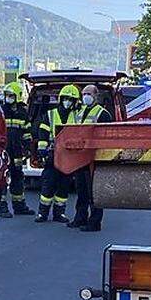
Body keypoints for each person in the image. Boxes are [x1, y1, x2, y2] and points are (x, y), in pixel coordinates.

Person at [68, 84, 113, 232]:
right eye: (84, 94)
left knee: (94, 191)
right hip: (80, 157)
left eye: (89, 94)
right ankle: (80, 218)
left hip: (95, 158)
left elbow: (108, 137)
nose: (85, 96)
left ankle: (94, 222)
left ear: (96, 96)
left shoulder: (103, 114)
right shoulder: (78, 112)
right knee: (81, 191)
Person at [34, 85, 81, 223]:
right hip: (52, 155)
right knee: (48, 184)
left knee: (64, 186)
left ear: (75, 102)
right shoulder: (50, 114)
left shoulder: (77, 116)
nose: (68, 102)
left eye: (71, 100)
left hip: (68, 157)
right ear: (61, 99)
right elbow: (42, 133)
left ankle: (59, 214)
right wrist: (42, 150)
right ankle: (42, 213)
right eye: (66, 99)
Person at [0, 81, 34, 217]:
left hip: (17, 152)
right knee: (3, 179)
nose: (8, 98)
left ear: (17, 96)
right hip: (3, 151)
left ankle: (19, 206)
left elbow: (27, 133)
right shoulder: (1, 111)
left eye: (11, 95)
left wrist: (27, 149)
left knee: (18, 177)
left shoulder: (22, 114)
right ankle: (1, 207)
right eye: (6, 95)